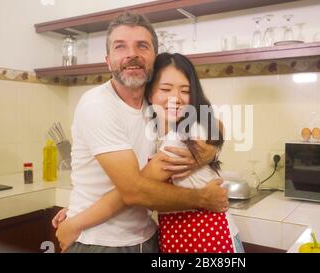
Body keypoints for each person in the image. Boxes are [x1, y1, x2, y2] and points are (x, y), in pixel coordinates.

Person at [53, 12, 228, 253]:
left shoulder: (155, 104)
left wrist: (205, 151)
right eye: (120, 46)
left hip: (147, 238)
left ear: (154, 59)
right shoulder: (97, 105)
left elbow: (213, 122)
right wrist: (202, 198)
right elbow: (134, 191)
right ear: (108, 60)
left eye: (142, 46)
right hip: (100, 243)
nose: (131, 54)